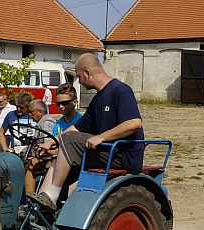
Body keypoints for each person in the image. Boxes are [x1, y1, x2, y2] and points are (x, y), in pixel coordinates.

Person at [28, 53, 144, 211]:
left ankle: (53, 195)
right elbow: (76, 127)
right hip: (107, 152)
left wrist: (101, 137)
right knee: (60, 150)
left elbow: (134, 123)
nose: (79, 81)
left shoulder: (120, 90)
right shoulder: (97, 99)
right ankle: (42, 203)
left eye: (79, 76)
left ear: (88, 73)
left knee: (69, 139)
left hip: (123, 155)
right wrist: (50, 142)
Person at [23, 100, 56, 193]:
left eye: (31, 112)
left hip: (48, 159)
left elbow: (49, 147)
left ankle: (29, 198)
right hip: (41, 156)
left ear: (40, 112)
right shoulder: (41, 123)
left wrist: (49, 160)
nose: (29, 114)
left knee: (30, 163)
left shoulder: (47, 123)